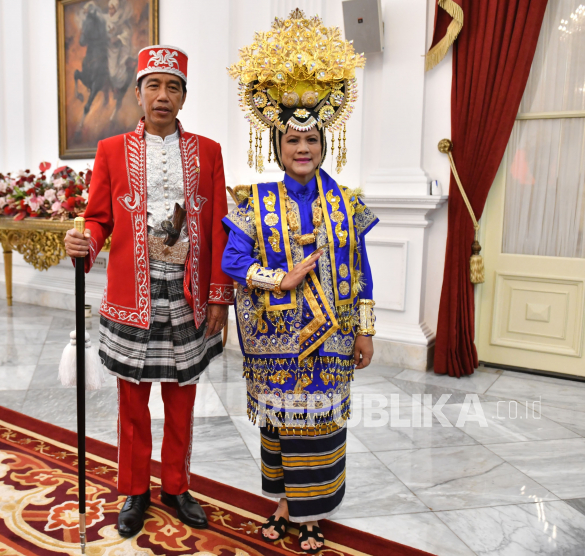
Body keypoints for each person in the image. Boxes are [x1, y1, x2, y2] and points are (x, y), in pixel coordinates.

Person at [64, 45, 233, 538]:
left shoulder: (208, 152)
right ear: (138, 94)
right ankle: (135, 489)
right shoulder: (111, 151)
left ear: (183, 97)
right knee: (132, 403)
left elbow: (220, 228)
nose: (163, 96)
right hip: (132, 297)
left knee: (183, 398)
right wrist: (84, 241)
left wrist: (220, 297)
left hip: (189, 294)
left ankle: (177, 486)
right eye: (153, 86)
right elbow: (98, 219)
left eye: (173, 87)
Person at [221, 10, 374, 554]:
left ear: (323, 144)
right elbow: (232, 261)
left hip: (332, 333)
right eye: (292, 141)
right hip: (275, 333)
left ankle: (314, 515)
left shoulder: (348, 203)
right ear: (277, 146)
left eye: (311, 139)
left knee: (322, 424)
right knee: (281, 424)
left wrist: (365, 330)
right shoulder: (252, 201)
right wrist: (278, 277)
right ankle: (284, 504)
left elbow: (362, 269)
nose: (302, 149)